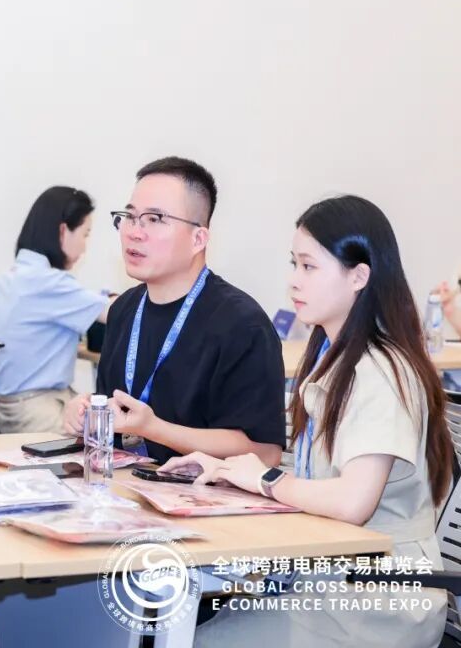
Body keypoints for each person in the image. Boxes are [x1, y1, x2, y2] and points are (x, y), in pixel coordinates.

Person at [163, 195, 450, 647]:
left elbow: (353, 501)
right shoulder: (334, 356)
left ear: (358, 276)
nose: (294, 280)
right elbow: (324, 475)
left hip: (377, 597)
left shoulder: (381, 371)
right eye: (293, 264)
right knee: (184, 628)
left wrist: (266, 480)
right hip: (333, 574)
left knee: (191, 639)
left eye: (309, 267)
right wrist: (227, 471)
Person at [62, 157, 285, 465]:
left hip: (202, 491)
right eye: (129, 216)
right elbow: (117, 421)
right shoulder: (125, 309)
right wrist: (87, 412)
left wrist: (155, 429)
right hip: (125, 484)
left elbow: (266, 452)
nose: (134, 232)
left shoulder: (242, 324)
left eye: (154, 219)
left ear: (198, 239)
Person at [0, 186, 114, 433]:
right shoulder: (46, 282)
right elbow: (116, 312)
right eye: (85, 234)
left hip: (20, 406)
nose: (85, 247)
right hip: (36, 411)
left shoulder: (14, 276)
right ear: (63, 230)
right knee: (114, 441)